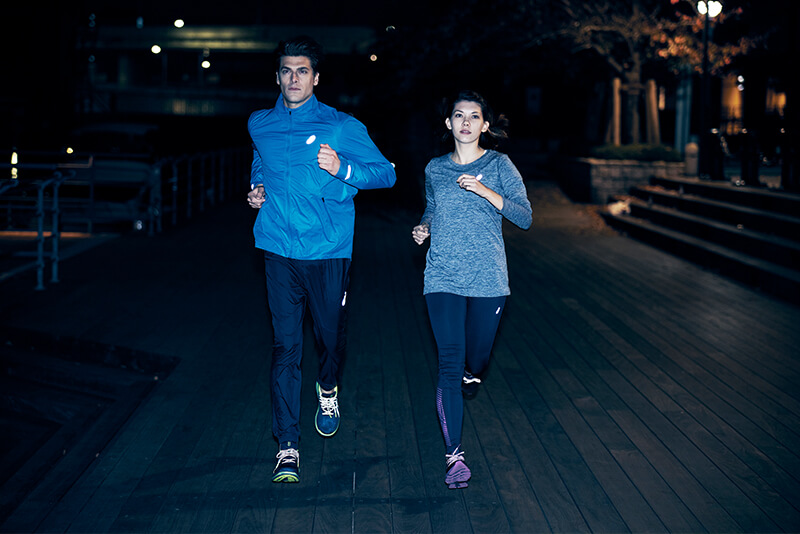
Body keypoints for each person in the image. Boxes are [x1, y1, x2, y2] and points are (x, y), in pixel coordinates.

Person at [247, 36, 396, 483]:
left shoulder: (341, 125)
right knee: (285, 347)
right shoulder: (259, 123)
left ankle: (327, 387)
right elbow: (262, 159)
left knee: (330, 337)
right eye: (287, 71)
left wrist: (342, 170)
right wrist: (257, 187)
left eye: (302, 71)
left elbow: (386, 174)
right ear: (277, 76)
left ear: (316, 78)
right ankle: (288, 445)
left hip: (329, 250)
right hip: (276, 249)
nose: (294, 79)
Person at [411, 90, 532, 489]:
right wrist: (424, 227)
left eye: (473, 116)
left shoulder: (499, 165)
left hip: (488, 279)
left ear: (485, 125)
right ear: (448, 124)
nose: (465, 122)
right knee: (448, 361)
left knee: (475, 359)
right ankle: (454, 455)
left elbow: (525, 217)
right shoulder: (434, 169)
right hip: (442, 276)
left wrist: (485, 191)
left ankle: (472, 371)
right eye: (457, 115)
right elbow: (432, 206)